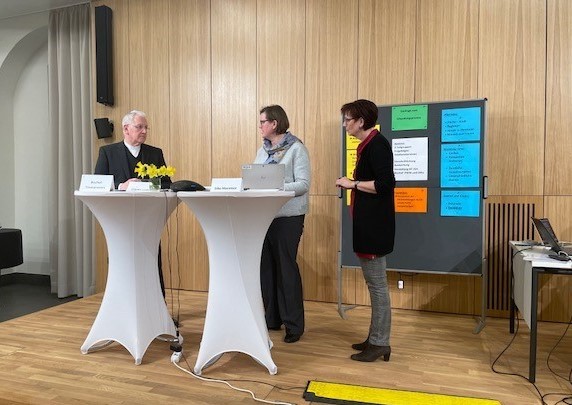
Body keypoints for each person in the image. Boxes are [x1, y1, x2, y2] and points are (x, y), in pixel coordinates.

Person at [335, 99, 395, 362]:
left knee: (378, 287)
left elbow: (385, 185)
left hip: (374, 229)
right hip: (368, 226)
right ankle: (374, 338)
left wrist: (352, 183)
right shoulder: (369, 144)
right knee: (375, 285)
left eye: (348, 119)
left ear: (361, 121)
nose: (345, 123)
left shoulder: (378, 145)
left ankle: (380, 342)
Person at [94, 110, 171, 297]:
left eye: (146, 127)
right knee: (123, 264)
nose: (144, 131)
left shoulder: (155, 153)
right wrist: (122, 186)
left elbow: (167, 182)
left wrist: (148, 185)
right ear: (126, 129)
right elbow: (97, 184)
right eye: (140, 127)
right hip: (120, 221)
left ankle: (158, 309)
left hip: (149, 220)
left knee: (152, 262)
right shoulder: (108, 153)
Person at [255, 105, 311, 343]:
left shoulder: (296, 148)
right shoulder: (262, 151)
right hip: (264, 216)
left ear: (274, 124)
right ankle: (272, 317)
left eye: (262, 122)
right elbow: (256, 178)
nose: (260, 127)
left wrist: (276, 187)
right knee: (267, 268)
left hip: (288, 218)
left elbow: (303, 185)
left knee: (286, 269)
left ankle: (294, 325)